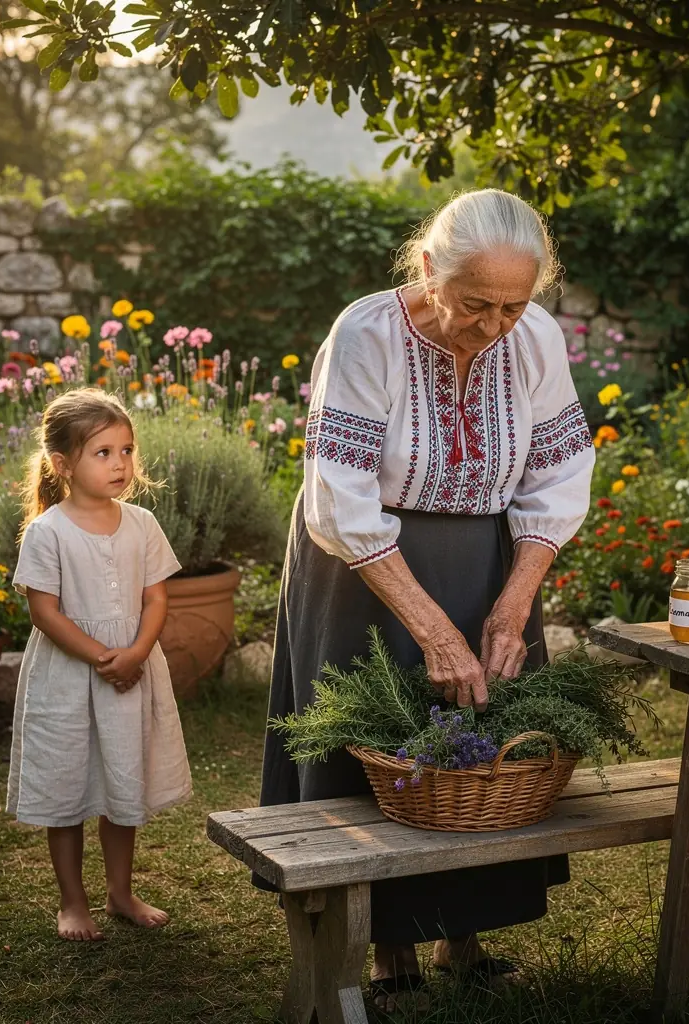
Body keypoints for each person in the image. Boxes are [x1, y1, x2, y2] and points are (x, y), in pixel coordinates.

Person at [259, 189, 595, 1009]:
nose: (495, 324)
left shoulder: (535, 337)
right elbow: (340, 497)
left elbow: (558, 477)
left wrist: (511, 605)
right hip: (364, 568)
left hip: (487, 558)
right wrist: (435, 630)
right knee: (373, 749)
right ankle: (384, 953)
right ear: (427, 270)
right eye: (476, 302)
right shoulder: (365, 334)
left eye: (515, 304)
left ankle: (464, 933)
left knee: (480, 747)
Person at [7, 388, 192, 942]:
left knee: (122, 783)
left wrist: (134, 654)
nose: (121, 464)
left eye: (127, 450)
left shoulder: (141, 524)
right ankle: (73, 900)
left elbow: (157, 598)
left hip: (132, 672)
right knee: (66, 793)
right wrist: (102, 658)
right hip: (68, 679)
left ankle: (120, 891)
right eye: (103, 452)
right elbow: (45, 611)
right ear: (63, 465)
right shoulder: (48, 532)